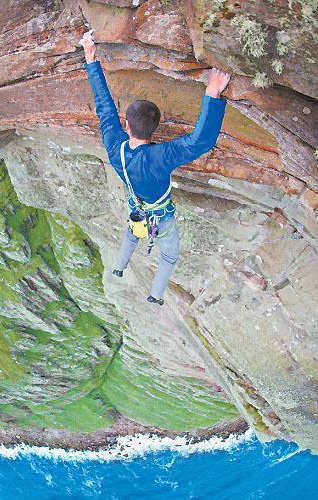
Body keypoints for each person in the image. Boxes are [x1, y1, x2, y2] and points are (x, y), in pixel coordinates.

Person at [79, 29, 231, 306]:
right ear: (156, 129)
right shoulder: (159, 157)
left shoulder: (116, 147)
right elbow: (200, 142)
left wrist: (91, 59)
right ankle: (155, 295)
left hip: (137, 208)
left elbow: (104, 108)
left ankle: (119, 267)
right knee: (169, 256)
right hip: (160, 218)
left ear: (127, 126)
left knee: (133, 231)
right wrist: (212, 91)